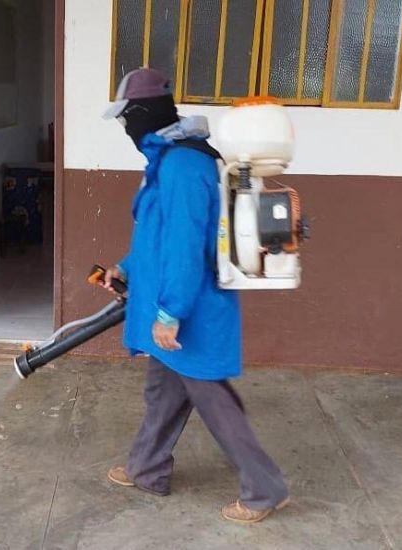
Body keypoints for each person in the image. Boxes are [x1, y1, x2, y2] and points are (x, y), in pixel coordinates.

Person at [101, 68, 290, 524]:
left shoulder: (185, 166)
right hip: (171, 301)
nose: (126, 128)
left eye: (128, 118)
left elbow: (186, 246)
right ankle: (148, 468)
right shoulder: (167, 160)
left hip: (192, 309)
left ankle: (265, 488)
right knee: (163, 390)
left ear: (144, 114)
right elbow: (158, 235)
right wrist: (124, 267)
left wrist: (171, 312)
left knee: (214, 400)